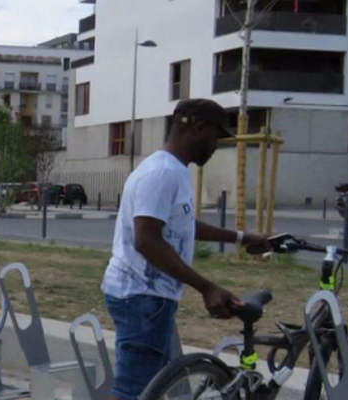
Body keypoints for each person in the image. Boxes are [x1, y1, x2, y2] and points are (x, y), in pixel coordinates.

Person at [101, 99, 270, 400]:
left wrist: (242, 237)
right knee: (132, 392)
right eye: (216, 137)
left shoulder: (173, 171)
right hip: (142, 300)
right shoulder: (162, 173)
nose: (216, 145)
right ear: (199, 128)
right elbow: (147, 239)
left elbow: (181, 225)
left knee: (152, 387)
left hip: (147, 300)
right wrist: (206, 287)